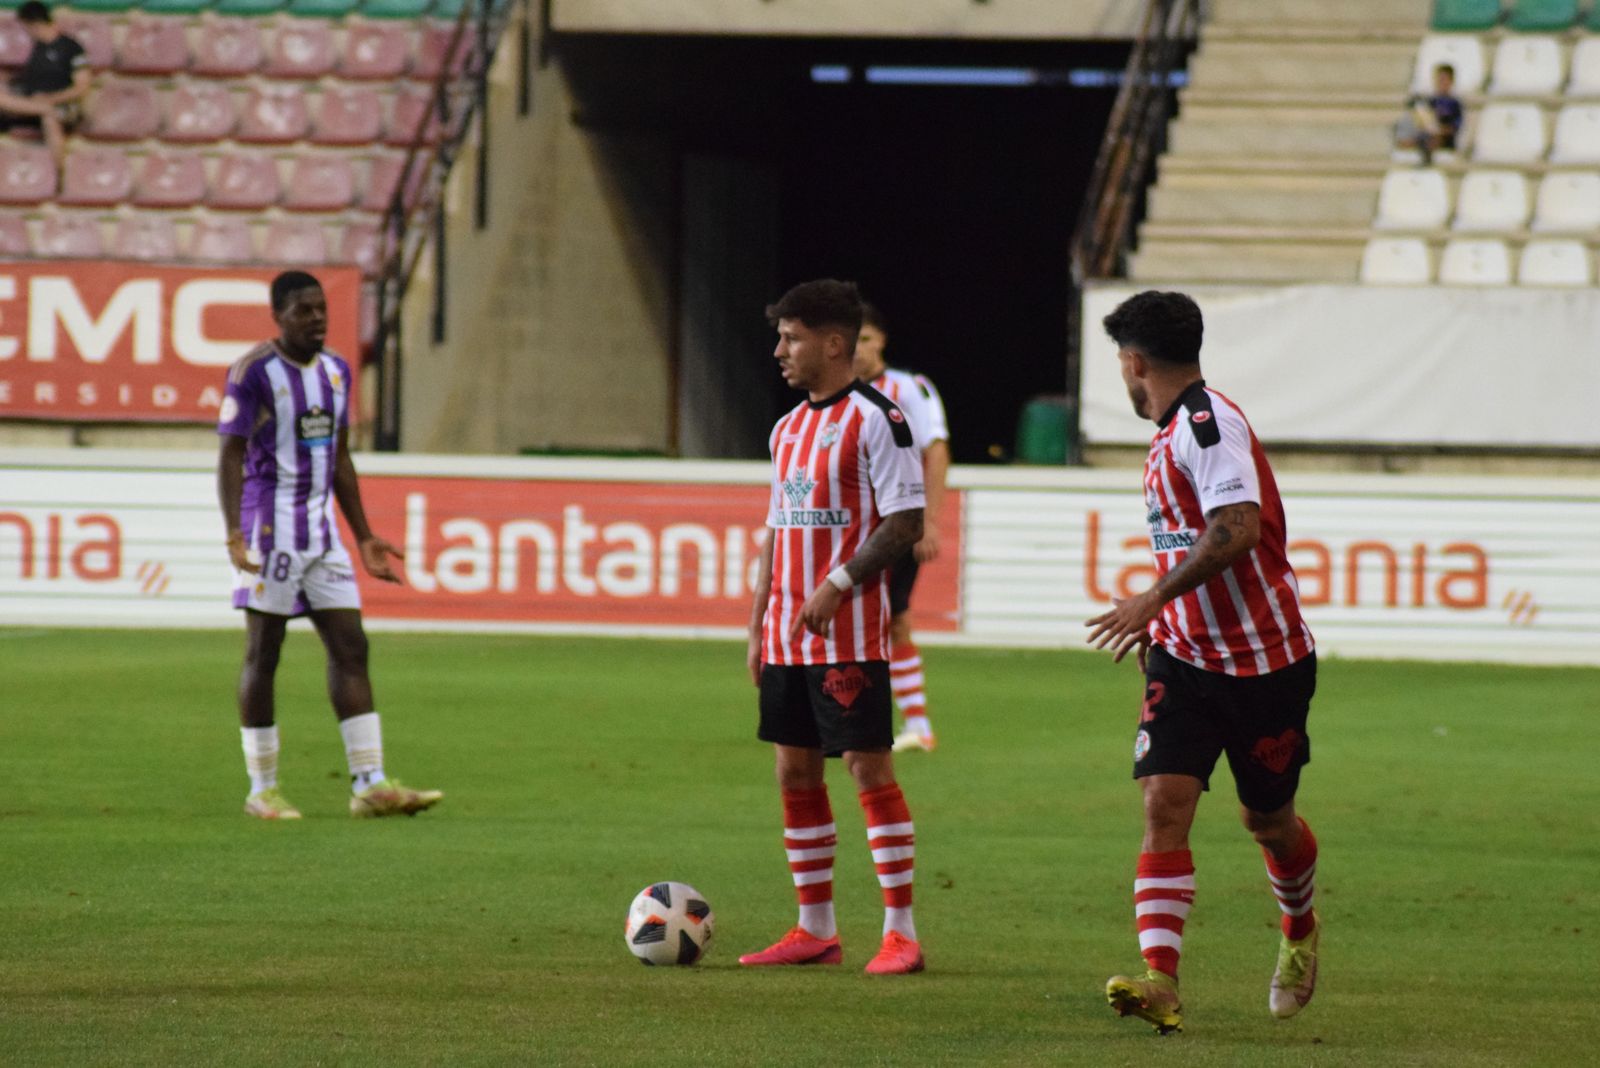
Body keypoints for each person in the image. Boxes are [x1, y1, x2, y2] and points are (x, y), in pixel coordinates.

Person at [1084, 290, 1320, 1034]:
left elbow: (1238, 529)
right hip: (1185, 660)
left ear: (1133, 360)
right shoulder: (1170, 434)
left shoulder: (1206, 425)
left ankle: (1300, 928)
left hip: (1265, 663)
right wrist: (1166, 624)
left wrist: (1151, 599)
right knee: (1163, 803)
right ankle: (1160, 979)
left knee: (1268, 819)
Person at [739, 279, 929, 976]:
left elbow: (906, 523)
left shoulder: (880, 419)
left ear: (834, 343)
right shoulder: (787, 429)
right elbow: (776, 534)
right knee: (793, 770)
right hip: (788, 637)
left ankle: (901, 932)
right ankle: (815, 928)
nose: (780, 351)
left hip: (848, 634)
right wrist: (758, 623)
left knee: (866, 765)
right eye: (780, 336)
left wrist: (840, 583)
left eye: (791, 338)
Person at [217, 270, 443, 821]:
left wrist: (363, 534)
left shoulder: (337, 372)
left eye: (321, 309)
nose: (317, 318)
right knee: (264, 653)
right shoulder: (253, 373)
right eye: (304, 310)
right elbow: (230, 454)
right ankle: (261, 789)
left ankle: (370, 783)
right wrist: (234, 531)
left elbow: (340, 457)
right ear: (279, 316)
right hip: (270, 533)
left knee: (351, 647)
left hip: (322, 537)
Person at [852, 302, 950, 753]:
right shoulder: (843, 394)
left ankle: (915, 721)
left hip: (896, 524)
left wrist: (928, 521)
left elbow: (936, 450)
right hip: (856, 526)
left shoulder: (909, 388)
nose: (860, 349)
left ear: (882, 341)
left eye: (867, 339)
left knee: (894, 619)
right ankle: (891, 718)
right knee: (873, 620)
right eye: (853, 340)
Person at [0, 2, 91, 168]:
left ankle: (58, 173)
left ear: (34, 24)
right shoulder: (38, 48)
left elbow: (81, 88)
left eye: (25, 27)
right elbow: (30, 79)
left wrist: (50, 99)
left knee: (50, 118)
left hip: (61, 106)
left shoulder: (72, 48)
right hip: (32, 104)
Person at [1396, 63, 1462, 165]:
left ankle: (1425, 154)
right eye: (1440, 80)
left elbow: (1454, 127)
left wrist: (1439, 130)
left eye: (1445, 80)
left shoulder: (1455, 103)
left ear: (1451, 81)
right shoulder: (1431, 101)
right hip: (1427, 132)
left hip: (1444, 137)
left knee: (1433, 136)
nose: (1442, 83)